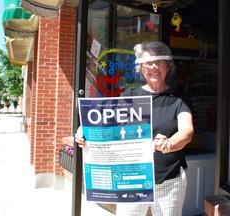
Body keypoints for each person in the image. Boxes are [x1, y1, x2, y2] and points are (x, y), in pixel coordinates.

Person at [74, 41, 194, 216]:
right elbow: (103, 124)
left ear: (167, 67)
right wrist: (84, 132)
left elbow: (187, 130)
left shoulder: (178, 98)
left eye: (158, 62)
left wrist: (170, 143)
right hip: (132, 179)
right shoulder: (129, 96)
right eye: (148, 63)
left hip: (169, 180)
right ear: (141, 69)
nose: (154, 67)